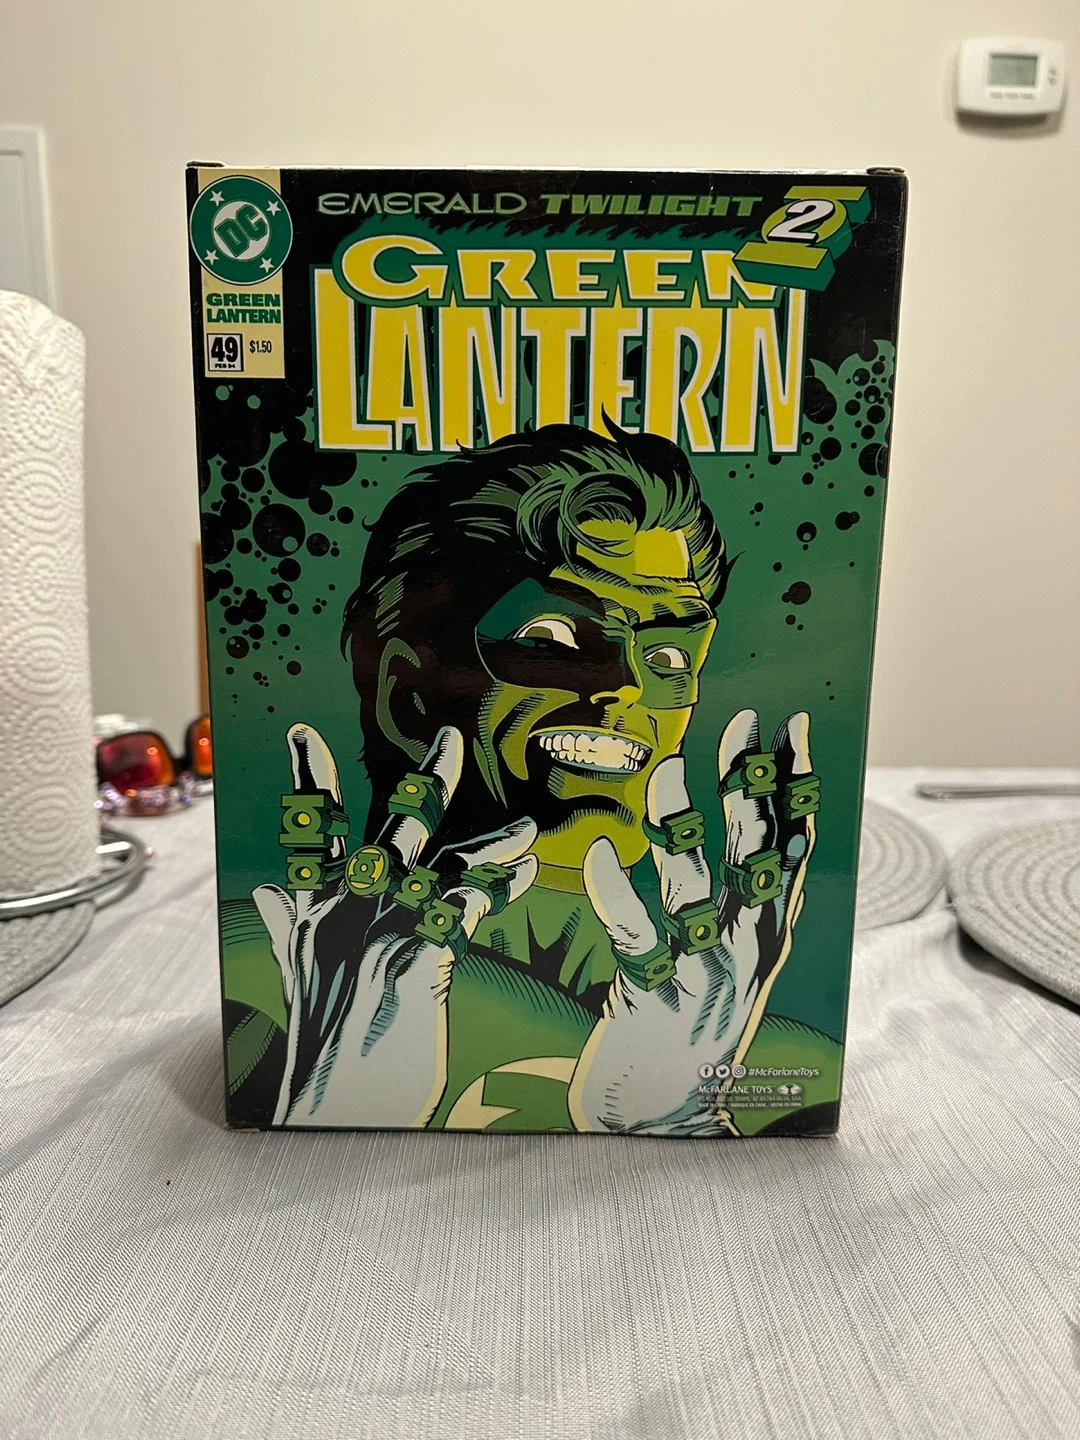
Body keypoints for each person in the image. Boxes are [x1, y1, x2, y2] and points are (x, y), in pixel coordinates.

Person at [253, 422, 819, 1134]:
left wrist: (674, 1117)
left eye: (670, 657)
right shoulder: (258, 994)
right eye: (550, 638)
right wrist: (337, 1100)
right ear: (407, 694)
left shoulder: (763, 1049)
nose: (626, 686)